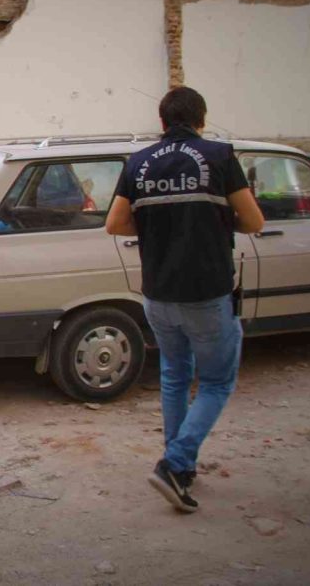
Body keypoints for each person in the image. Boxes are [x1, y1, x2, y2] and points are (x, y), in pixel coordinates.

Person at [105, 86, 264, 513]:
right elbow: (253, 220)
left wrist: (162, 224)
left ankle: (181, 467)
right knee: (215, 382)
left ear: (162, 122)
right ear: (201, 120)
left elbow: (115, 225)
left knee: (175, 376)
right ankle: (174, 465)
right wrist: (206, 221)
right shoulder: (218, 156)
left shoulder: (137, 163)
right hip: (207, 294)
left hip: (158, 295)